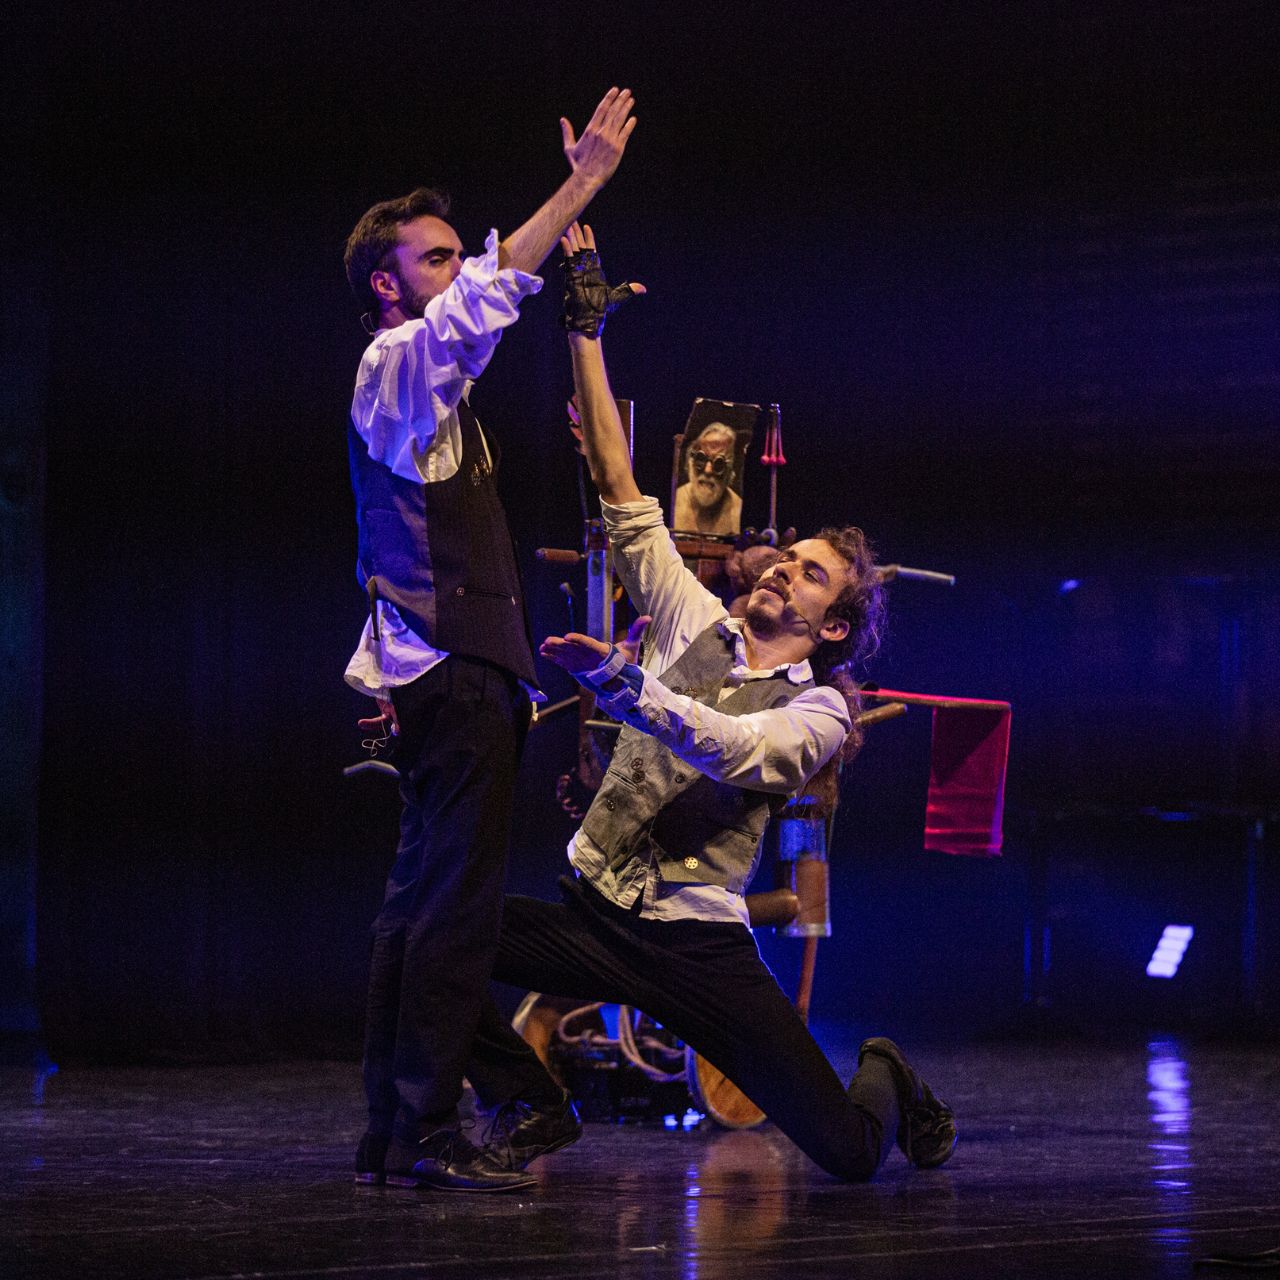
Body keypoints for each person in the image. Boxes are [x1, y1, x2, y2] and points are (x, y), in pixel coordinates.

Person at [461, 223, 958, 1183]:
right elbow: (622, 491)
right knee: (429, 940)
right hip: (597, 911)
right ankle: (531, 1103)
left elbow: (733, 748)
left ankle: (886, 1073)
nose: (782, 570)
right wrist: (584, 326)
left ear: (834, 626)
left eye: (809, 575)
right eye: (789, 558)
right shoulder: (698, 621)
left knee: (849, 1155)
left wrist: (620, 683)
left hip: (696, 947)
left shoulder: (821, 714)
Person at [342, 90, 636, 1193]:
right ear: (389, 283)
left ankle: (390, 1127)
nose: (457, 270)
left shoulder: (431, 395)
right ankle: (424, 1125)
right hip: (457, 682)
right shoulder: (397, 365)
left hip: (441, 677)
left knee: (417, 909)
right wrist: (581, 187)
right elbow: (480, 306)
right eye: (435, 259)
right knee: (450, 916)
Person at [672, 421, 743, 535]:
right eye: (701, 459)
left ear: (731, 471)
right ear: (689, 462)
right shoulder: (671, 503)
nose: (708, 470)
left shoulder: (739, 510)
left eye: (719, 464)